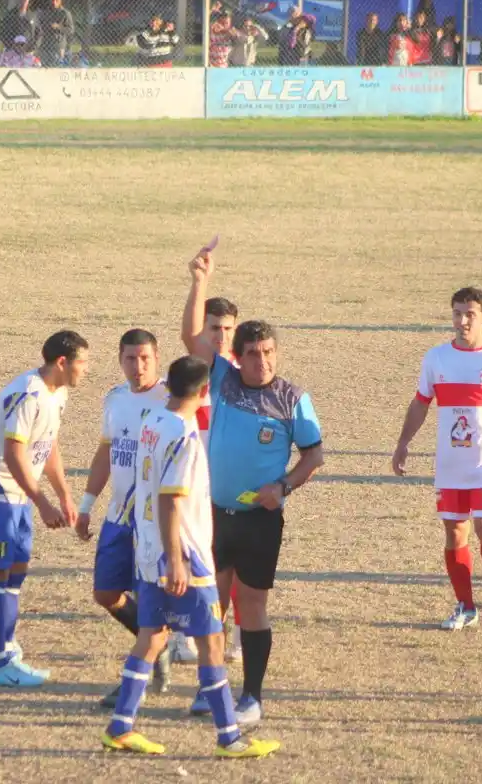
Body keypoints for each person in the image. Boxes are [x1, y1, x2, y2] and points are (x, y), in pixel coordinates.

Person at [99, 355, 280, 760]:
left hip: (150, 552)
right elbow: (170, 500)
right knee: (212, 642)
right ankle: (229, 738)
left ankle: (120, 727)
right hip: (183, 556)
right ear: (203, 392)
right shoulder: (184, 436)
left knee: (152, 637)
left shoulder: (152, 422)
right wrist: (177, 560)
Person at [179, 244, 325, 727]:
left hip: (260, 520)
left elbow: (314, 456)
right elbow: (190, 336)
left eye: (268, 353)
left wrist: (282, 487)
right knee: (211, 604)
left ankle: (252, 697)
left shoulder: (293, 399)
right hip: (215, 515)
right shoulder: (222, 379)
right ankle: (210, 687)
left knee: (252, 605)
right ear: (236, 357)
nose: (262, 361)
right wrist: (200, 280)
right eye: (253, 354)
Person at [391, 288, 482, 631]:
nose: (463, 320)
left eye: (470, 314)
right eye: (457, 313)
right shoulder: (436, 358)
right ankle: (465, 606)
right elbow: (421, 403)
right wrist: (403, 443)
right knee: (455, 532)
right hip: (451, 465)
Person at [0, 331, 88, 687]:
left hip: (17, 491)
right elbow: (14, 453)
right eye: (82, 362)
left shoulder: (57, 393)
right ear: (62, 362)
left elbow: (48, 444)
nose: (85, 369)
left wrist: (64, 494)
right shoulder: (28, 394)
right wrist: (43, 502)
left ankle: (7, 645)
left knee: (17, 567)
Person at [76, 329, 171, 707]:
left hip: (153, 520)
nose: (138, 366)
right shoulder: (115, 398)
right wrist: (86, 504)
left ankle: (140, 674)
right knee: (106, 593)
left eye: (145, 358)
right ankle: (158, 644)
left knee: (149, 598)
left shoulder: (171, 399)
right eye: (131, 358)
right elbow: (106, 452)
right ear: (120, 360)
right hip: (118, 515)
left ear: (157, 358)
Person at [179, 244, 241, 667]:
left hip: (231, 478)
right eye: (214, 328)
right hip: (196, 478)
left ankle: (231, 633)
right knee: (197, 556)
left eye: (227, 329)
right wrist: (200, 281)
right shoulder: (203, 366)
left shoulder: (242, 368)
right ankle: (190, 633)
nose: (221, 336)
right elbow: (190, 336)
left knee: (231, 563)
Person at [37, 0, 73, 67]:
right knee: (44, 66)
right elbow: (40, 25)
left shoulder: (65, 13)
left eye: (56, 0)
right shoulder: (45, 12)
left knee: (57, 66)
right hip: (45, 44)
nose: (54, 2)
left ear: (60, 1)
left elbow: (70, 30)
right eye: (52, 0)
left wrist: (58, 27)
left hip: (58, 44)